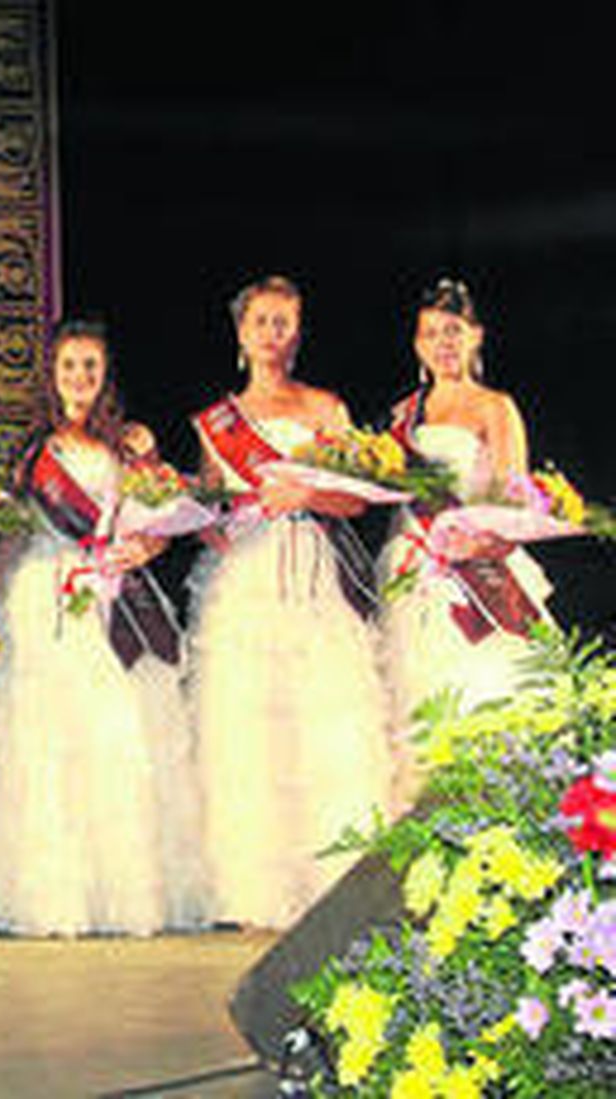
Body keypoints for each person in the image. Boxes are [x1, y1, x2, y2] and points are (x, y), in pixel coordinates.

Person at [188, 276, 393, 929]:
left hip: (313, 575)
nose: (271, 334)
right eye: (261, 322)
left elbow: (356, 499)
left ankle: (331, 882)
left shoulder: (326, 407)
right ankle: (254, 889)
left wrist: (304, 496)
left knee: (323, 723)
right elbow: (214, 509)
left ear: (296, 332)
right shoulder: (218, 422)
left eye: (283, 322)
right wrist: (188, 515)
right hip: (244, 579)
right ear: (241, 332)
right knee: (247, 731)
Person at [0, 319, 205, 936]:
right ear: (51, 377)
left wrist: (146, 552)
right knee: (47, 741)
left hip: (113, 592)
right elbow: (15, 535)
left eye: (90, 366)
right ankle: (52, 895)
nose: (80, 378)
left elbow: (158, 525)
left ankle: (119, 892)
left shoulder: (133, 443)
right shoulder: (34, 450)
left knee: (118, 735)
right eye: (69, 367)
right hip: (45, 595)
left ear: (105, 374)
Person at [380, 278, 551, 803]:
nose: (442, 343)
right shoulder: (403, 415)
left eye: (453, 332)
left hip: (479, 571)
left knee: (490, 697)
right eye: (430, 333)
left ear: (476, 337)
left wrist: (478, 546)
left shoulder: (495, 407)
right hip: (415, 566)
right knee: (418, 699)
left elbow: (514, 498)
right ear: (416, 344)